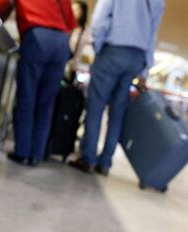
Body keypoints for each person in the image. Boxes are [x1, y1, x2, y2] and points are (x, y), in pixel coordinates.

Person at [69, 0, 165, 175]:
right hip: (136, 56)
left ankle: (88, 159)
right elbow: (152, 34)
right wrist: (145, 70)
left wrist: (98, 47)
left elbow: (100, 19)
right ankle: (105, 163)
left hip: (113, 49)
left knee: (96, 107)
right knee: (118, 113)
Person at [0, 0, 77, 166]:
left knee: (27, 98)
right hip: (61, 43)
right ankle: (37, 154)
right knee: (46, 103)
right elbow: (71, 21)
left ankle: (22, 152)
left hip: (37, 37)